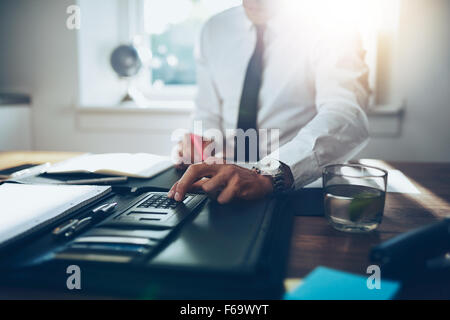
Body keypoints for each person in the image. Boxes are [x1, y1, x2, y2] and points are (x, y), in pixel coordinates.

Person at [168, 0, 370, 204]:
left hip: (298, 188)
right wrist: (200, 144)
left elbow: (346, 114)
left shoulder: (333, 27)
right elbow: (208, 112)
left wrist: (270, 173)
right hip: (223, 187)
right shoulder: (213, 30)